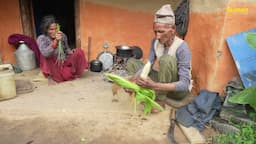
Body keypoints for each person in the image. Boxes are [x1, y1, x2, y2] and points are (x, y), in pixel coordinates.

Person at [127, 4, 192, 108]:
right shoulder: (155, 42)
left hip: (177, 91)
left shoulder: (182, 47)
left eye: (161, 32)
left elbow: (184, 85)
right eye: (155, 31)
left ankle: (160, 99)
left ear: (173, 29)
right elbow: (149, 64)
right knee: (132, 63)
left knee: (166, 60)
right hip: (161, 82)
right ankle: (140, 88)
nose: (157, 36)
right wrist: (134, 79)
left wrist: (154, 85)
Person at [37, 15, 88, 84]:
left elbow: (66, 49)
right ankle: (50, 77)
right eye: (51, 29)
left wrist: (71, 52)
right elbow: (45, 53)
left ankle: (74, 72)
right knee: (45, 55)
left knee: (79, 52)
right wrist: (55, 42)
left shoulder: (62, 35)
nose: (54, 31)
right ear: (46, 30)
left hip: (63, 61)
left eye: (55, 29)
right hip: (52, 64)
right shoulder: (42, 38)